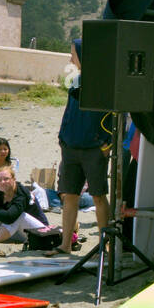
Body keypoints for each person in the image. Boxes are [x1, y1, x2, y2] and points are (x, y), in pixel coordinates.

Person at [56, 38, 112, 255]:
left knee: (98, 195)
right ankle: (65, 244)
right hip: (70, 146)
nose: (71, 58)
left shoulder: (102, 82)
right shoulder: (75, 81)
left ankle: (105, 243)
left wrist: (107, 143)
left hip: (93, 148)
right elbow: (69, 111)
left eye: (74, 54)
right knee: (70, 196)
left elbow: (112, 114)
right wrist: (63, 137)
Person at [0, 166, 50, 243]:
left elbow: (10, 217)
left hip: (39, 232)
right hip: (17, 232)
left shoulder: (22, 193)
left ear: (14, 179)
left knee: (19, 216)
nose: (2, 182)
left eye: (6, 179)